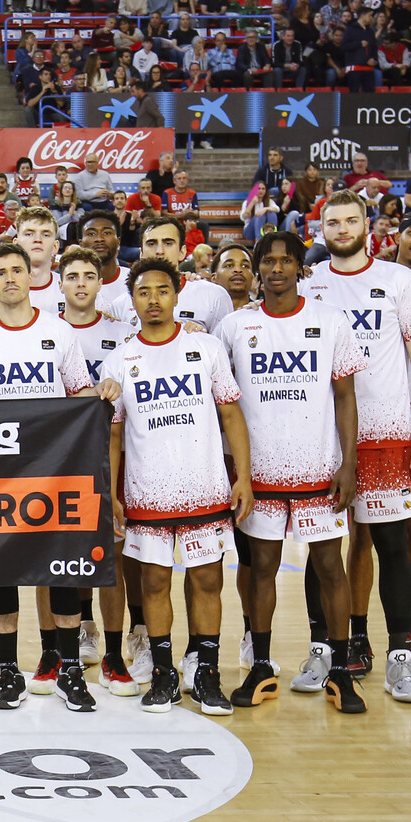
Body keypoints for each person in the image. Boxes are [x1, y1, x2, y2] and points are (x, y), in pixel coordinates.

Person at [214, 232, 368, 713]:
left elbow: (345, 396)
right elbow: (222, 401)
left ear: (301, 267)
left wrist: (349, 462)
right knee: (261, 568)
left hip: (319, 468)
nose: (277, 269)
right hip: (259, 473)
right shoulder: (234, 326)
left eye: (286, 261)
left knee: (330, 567)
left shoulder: (330, 320)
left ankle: (340, 671)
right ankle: (260, 664)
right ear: (257, 268)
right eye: (268, 261)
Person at [298, 191, 411, 703]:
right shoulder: (309, 283)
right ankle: (324, 649)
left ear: (367, 226)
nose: (342, 229)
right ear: (321, 229)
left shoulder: (398, 280)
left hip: (386, 434)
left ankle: (401, 658)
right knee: (323, 551)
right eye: (332, 222)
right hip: (323, 439)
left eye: (350, 220)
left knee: (393, 546)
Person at [101, 257, 253, 716]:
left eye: (162, 290)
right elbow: (112, 436)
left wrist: (243, 476)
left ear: (177, 294)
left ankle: (207, 675)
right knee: (153, 582)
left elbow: (231, 414)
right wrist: (111, 494)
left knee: (207, 580)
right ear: (132, 300)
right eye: (143, 292)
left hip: (204, 487)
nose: (153, 300)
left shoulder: (205, 347)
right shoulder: (119, 360)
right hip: (147, 492)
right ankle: (164, 676)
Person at [0, 242, 97, 711]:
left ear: (31, 276)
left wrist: (104, 390)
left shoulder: (59, 331)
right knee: (4, 574)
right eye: (1, 272)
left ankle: (70, 669)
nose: (11, 277)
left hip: (55, 472)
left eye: (18, 269)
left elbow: (80, 395)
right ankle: (10, 671)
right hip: (1, 477)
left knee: (62, 571)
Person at [57, 246, 137, 692]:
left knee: (112, 558)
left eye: (89, 275)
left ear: (100, 282)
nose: (81, 283)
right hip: (62, 460)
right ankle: (75, 636)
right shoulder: (47, 330)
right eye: (73, 276)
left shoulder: (122, 333)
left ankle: (115, 650)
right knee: (63, 557)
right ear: (60, 284)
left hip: (113, 453)